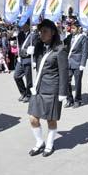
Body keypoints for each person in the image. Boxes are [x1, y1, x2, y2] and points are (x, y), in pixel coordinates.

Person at [27, 19, 68, 157]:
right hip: (38, 89)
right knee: (33, 118)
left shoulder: (60, 49)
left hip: (52, 89)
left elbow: (63, 72)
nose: (41, 34)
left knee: (51, 120)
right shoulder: (38, 46)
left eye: (45, 31)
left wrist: (63, 92)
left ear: (53, 32)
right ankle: (39, 142)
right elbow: (22, 53)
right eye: (40, 31)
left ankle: (49, 144)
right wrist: (28, 49)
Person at [64, 21, 88, 108]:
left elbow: (85, 52)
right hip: (69, 63)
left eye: (74, 28)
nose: (72, 29)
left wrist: (83, 64)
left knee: (77, 83)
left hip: (78, 63)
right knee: (66, 81)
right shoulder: (69, 36)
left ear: (79, 29)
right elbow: (62, 43)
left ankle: (78, 100)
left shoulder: (83, 38)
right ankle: (69, 99)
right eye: (72, 28)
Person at [13, 21, 37, 103]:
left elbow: (36, 47)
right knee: (16, 76)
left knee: (28, 79)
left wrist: (34, 60)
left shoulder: (34, 35)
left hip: (28, 59)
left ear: (27, 25)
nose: (22, 26)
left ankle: (29, 95)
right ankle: (23, 92)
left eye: (23, 25)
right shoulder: (20, 34)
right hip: (21, 58)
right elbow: (19, 46)